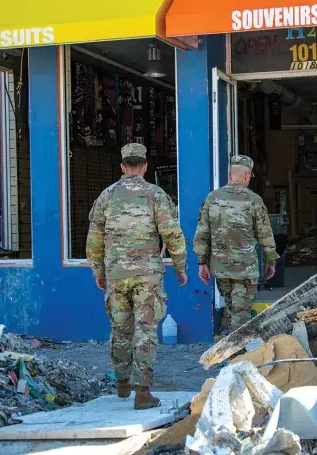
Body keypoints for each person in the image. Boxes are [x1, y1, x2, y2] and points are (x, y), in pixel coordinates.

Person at [86, 143, 188, 410]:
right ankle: (142, 390)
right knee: (145, 329)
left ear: (122, 166)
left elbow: (94, 240)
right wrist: (180, 267)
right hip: (147, 275)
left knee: (120, 329)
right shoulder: (155, 194)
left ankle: (122, 383)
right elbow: (172, 234)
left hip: (116, 274)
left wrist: (98, 271)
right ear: (144, 166)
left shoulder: (106, 197)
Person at [193, 155, 277, 335]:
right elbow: (265, 234)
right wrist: (271, 261)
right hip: (244, 269)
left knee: (232, 309)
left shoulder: (212, 198)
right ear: (246, 175)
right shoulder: (253, 200)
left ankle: (232, 351)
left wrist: (202, 262)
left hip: (221, 268)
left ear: (230, 174)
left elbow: (202, 233)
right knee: (241, 314)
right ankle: (237, 354)